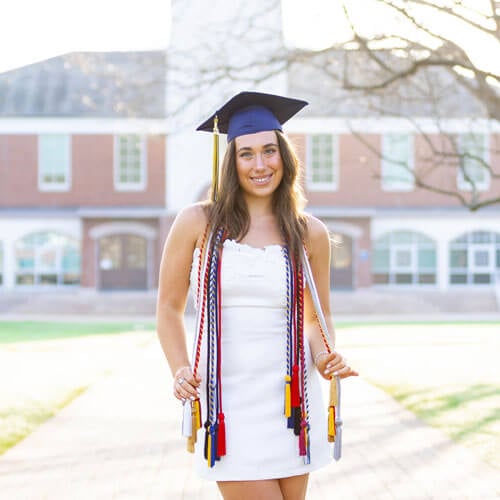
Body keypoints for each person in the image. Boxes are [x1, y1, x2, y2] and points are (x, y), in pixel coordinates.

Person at [156, 91, 358, 500]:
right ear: (230, 161)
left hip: (291, 405)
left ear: (285, 156)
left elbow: (316, 317)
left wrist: (324, 357)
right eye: (246, 154)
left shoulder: (309, 233)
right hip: (227, 405)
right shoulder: (198, 222)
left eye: (269, 150)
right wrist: (180, 370)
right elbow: (168, 308)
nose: (260, 164)